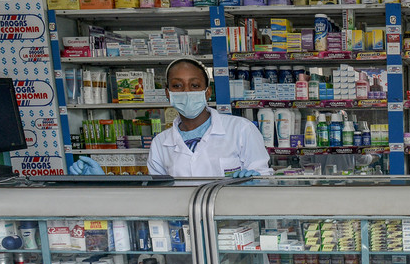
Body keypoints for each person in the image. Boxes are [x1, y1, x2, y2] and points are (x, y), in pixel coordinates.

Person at [70, 58, 272, 178]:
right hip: (182, 227)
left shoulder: (241, 129)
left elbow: (263, 179)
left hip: (235, 226)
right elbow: (155, 195)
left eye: (194, 85)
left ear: (207, 92)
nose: (186, 91)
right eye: (177, 86)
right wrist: (103, 181)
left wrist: (255, 179)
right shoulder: (160, 143)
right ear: (168, 93)